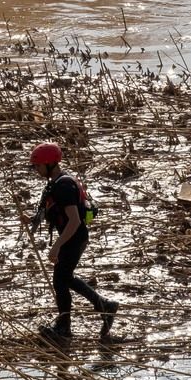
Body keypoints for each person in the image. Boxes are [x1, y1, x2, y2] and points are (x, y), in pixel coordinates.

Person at [27, 142, 118, 343]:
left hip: (73, 237)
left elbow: (75, 220)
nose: (36, 170)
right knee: (63, 280)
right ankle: (80, 317)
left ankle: (71, 323)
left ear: (50, 164)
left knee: (62, 279)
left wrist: (57, 245)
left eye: (38, 166)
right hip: (73, 237)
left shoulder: (64, 185)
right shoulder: (57, 182)